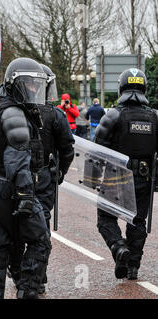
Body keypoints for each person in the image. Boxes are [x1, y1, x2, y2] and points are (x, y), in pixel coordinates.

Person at [0, 57, 51, 299]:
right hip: (11, 185)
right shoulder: (14, 113)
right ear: (13, 83)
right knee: (40, 240)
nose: (34, 89)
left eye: (36, 84)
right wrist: (25, 194)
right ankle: (27, 292)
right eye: (28, 84)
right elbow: (16, 158)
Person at [7, 64, 75, 294]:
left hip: (17, 177)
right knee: (40, 228)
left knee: (15, 224)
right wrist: (61, 173)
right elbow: (67, 149)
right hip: (43, 177)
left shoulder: (11, 110)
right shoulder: (55, 114)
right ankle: (38, 277)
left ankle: (18, 273)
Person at [95, 68, 157, 280]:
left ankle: (118, 247)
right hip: (144, 176)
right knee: (137, 221)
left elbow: (97, 149)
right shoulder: (155, 117)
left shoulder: (113, 115)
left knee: (105, 217)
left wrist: (93, 178)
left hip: (115, 174)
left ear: (121, 87)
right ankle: (133, 268)